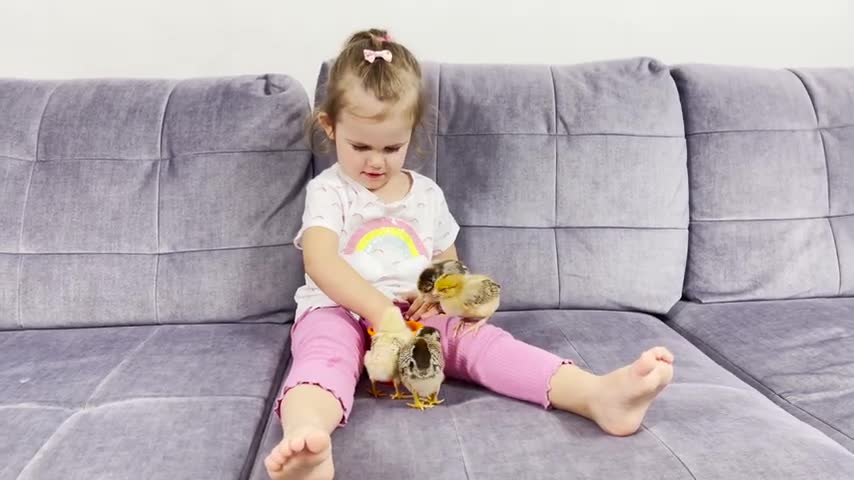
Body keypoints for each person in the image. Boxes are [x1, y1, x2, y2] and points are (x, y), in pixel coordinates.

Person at [264, 28, 675, 480]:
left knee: (480, 341)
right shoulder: (330, 192)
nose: (376, 162)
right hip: (337, 311)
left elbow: (446, 265)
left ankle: (596, 395)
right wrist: (382, 314)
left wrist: (440, 295)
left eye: (391, 147)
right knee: (323, 358)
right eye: (360, 146)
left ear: (411, 134)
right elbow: (320, 262)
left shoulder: (427, 196)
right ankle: (306, 440)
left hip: (414, 315)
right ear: (329, 127)